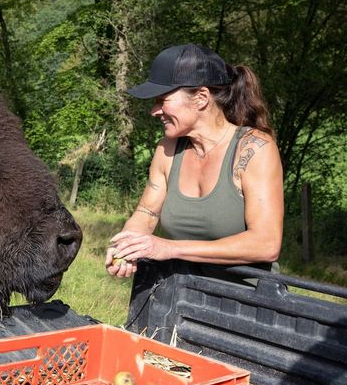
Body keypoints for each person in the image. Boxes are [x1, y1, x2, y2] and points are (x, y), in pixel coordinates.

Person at [106, 43, 283, 278]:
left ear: (200, 98)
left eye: (162, 100)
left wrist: (169, 248)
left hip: (248, 301)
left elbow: (266, 244)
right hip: (181, 294)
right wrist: (126, 247)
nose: (154, 111)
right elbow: (146, 213)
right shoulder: (167, 149)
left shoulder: (254, 148)